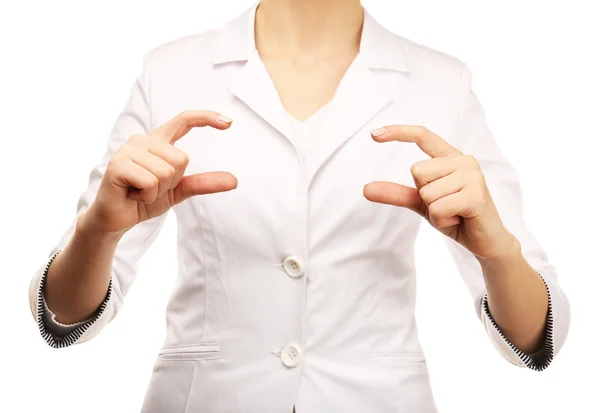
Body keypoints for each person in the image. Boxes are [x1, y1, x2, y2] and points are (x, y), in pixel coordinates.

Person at [28, 0, 570, 412]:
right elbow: (61, 315)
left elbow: (537, 337)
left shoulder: (441, 83)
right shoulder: (171, 71)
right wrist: (99, 232)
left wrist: (497, 252)